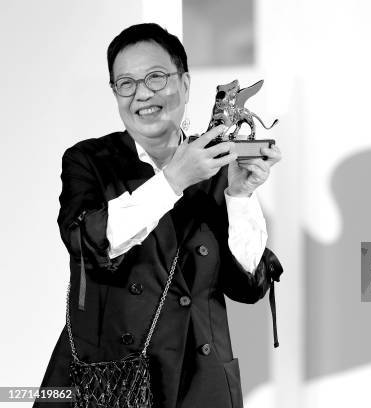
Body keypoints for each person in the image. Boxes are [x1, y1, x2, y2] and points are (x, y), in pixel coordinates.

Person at [35, 23, 282, 408]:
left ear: (184, 84)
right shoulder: (88, 161)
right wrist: (172, 181)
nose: (142, 94)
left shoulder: (218, 163)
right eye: (126, 83)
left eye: (155, 77)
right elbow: (86, 243)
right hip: (110, 383)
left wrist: (240, 194)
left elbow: (247, 288)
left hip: (200, 384)